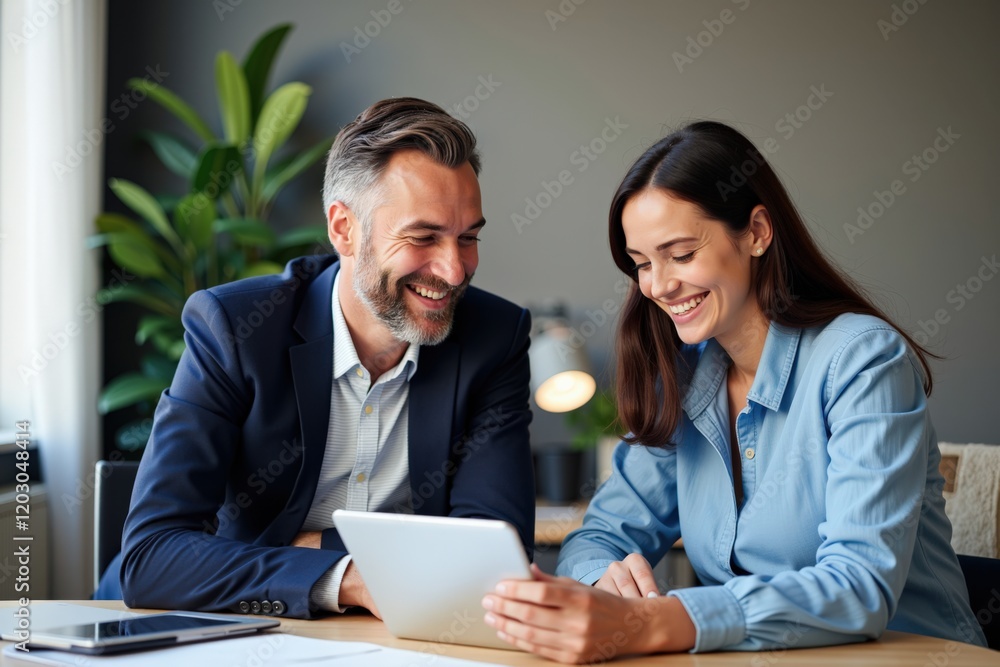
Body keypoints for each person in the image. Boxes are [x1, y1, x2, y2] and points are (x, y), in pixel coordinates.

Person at [482, 120, 987, 662]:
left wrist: (660, 621)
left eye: (680, 254)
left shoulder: (862, 361)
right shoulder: (681, 378)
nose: (658, 285)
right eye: (642, 264)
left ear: (756, 232)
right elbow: (599, 535)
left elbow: (859, 587)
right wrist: (606, 584)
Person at [116, 97, 535, 619]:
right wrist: (351, 577)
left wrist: (311, 547)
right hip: (236, 633)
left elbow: (493, 560)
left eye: (468, 237)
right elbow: (152, 558)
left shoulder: (493, 338)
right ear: (344, 229)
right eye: (423, 237)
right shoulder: (236, 329)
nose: (453, 271)